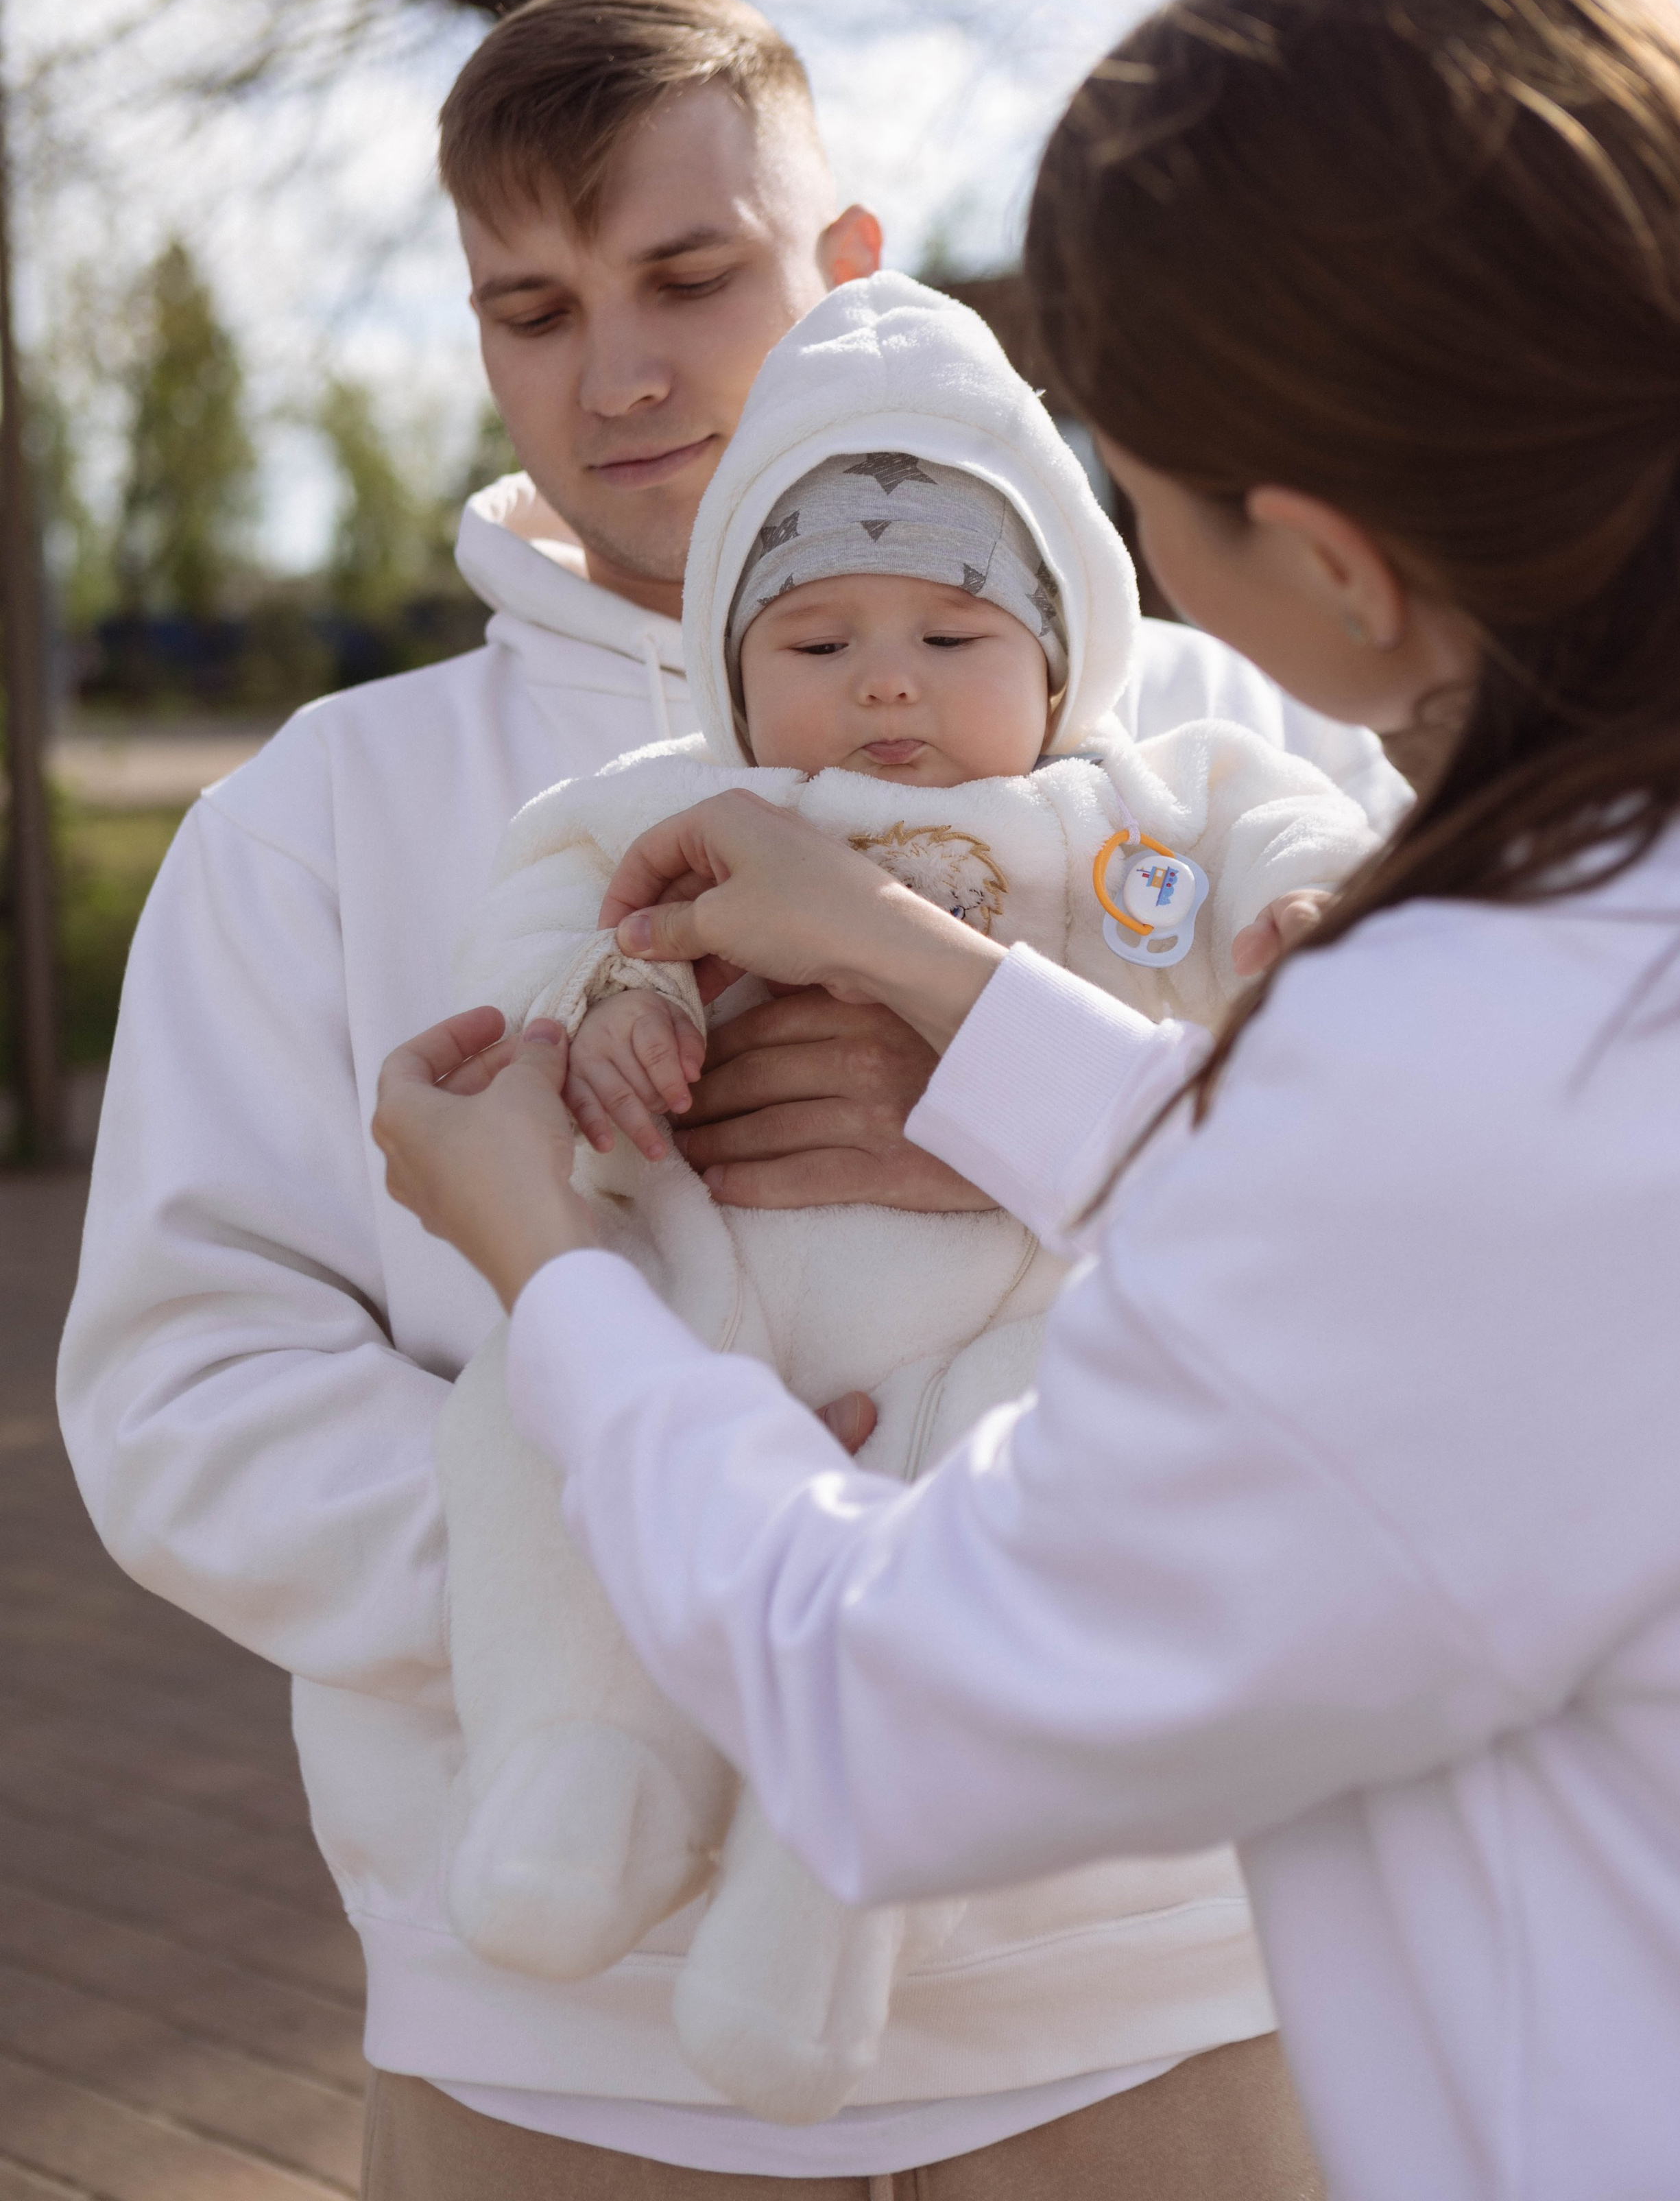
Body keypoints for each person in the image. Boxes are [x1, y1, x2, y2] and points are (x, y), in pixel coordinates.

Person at [374, 0, 1680, 2201]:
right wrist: (947, 991)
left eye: (1119, 470)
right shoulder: (1602, 957)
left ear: (1319, 559)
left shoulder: (1448, 1014)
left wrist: (564, 1285)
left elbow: (895, 1705)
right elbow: (1401, 1254)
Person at [60, 0, 1397, 2194]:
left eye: (692, 276)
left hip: (1148, 1989)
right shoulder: (325, 809)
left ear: (849, 268)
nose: (627, 373)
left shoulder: (1255, 756)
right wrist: (668, 1555)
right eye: (535, 309)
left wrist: (1013, 1101)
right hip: (556, 2045)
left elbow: (1425, 1277)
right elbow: (188, 1386)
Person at [437, 270, 1376, 2130]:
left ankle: (830, 1883)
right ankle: (583, 1763)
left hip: (1005, 1317)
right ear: (728, 667)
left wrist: (1310, 922)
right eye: (817, 636)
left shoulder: (1142, 805)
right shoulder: (672, 801)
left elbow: (1306, 842)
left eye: (955, 632)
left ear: (1062, 655)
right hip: (709, 1289)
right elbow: (542, 919)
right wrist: (598, 1015)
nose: (885, 680)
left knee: (1010, 1483)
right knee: (520, 1435)